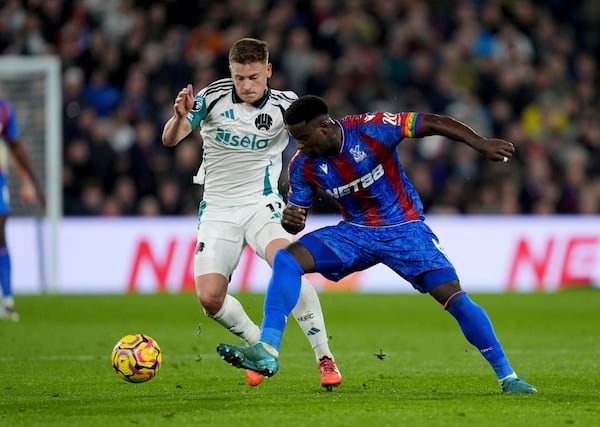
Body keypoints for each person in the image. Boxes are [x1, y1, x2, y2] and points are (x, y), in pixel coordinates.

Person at [217, 94, 537, 394]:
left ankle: (508, 376)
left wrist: (480, 144)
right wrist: (292, 220)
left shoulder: (371, 128)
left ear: (325, 127)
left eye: (303, 138)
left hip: (404, 229)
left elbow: (433, 122)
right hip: (356, 233)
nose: (299, 146)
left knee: (455, 298)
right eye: (295, 139)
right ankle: (268, 349)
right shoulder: (303, 165)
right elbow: (296, 214)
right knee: (288, 259)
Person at [161, 39, 341, 388]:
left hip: (263, 205)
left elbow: (321, 139)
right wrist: (178, 117)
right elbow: (171, 139)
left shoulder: (286, 107)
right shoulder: (211, 97)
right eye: (239, 77)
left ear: (268, 72)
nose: (245, 85)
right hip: (217, 211)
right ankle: (259, 346)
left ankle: (324, 357)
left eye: (253, 77)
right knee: (210, 299)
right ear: (231, 73)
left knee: (287, 263)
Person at [0, 97, 46, 321]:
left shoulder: (4, 109)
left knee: (0, 235)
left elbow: (14, 148)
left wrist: (29, 182)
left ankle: (7, 302)